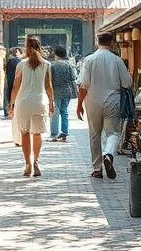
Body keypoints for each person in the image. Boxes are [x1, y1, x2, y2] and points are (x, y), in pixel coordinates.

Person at [77, 32, 132, 179]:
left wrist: (79, 105)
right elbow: (127, 83)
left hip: (92, 101)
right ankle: (108, 155)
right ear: (111, 43)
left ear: (97, 42)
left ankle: (97, 169)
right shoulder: (117, 60)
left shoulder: (89, 60)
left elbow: (83, 86)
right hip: (112, 100)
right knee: (113, 133)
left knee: (94, 135)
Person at [9, 36, 53, 177]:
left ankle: (27, 164)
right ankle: (36, 162)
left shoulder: (21, 65)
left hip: (23, 102)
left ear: (26, 48)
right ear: (40, 46)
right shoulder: (46, 64)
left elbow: (16, 87)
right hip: (40, 101)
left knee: (25, 133)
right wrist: (51, 103)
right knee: (37, 134)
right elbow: (48, 86)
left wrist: (11, 104)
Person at [48, 46, 76, 142]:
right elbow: (73, 77)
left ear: (55, 54)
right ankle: (64, 132)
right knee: (64, 112)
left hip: (55, 91)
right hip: (67, 90)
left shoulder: (52, 65)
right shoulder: (69, 64)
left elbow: (49, 80)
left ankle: (54, 134)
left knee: (55, 112)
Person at [5, 45, 23, 145]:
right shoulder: (23, 63)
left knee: (15, 117)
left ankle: (17, 138)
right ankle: (20, 138)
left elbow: (9, 79)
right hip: (23, 92)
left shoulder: (10, 62)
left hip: (13, 90)